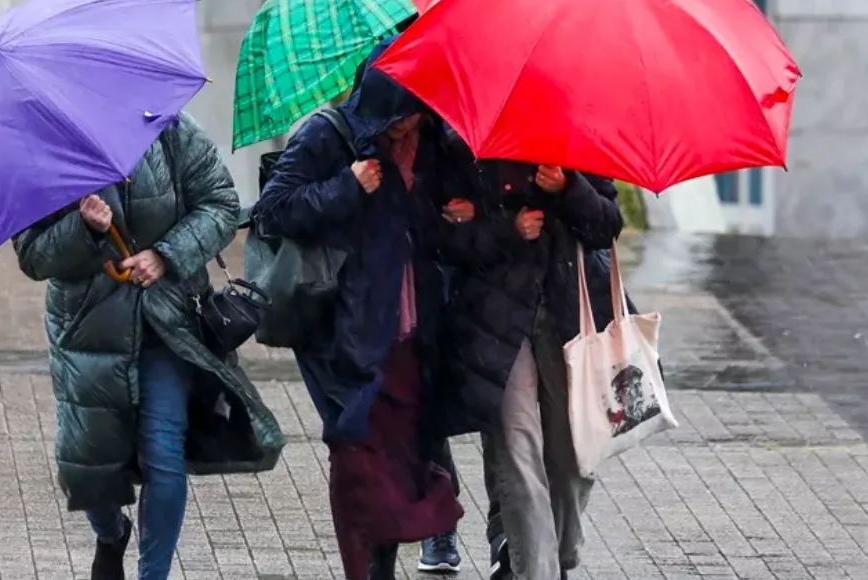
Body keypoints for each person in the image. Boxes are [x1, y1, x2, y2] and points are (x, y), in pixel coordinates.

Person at [12, 113, 285, 580]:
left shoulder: (172, 131)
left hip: (167, 324)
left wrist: (166, 255)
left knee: (163, 451)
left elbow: (220, 205)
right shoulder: (49, 149)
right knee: (91, 465)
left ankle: (152, 574)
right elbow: (33, 255)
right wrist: (88, 231)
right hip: (89, 332)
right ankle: (110, 533)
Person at [251, 37, 467, 580]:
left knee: (401, 460)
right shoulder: (329, 136)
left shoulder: (432, 140)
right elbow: (273, 211)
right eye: (398, 121)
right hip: (347, 333)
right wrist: (346, 186)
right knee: (358, 459)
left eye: (415, 118)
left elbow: (429, 227)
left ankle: (384, 563)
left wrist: (459, 213)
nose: (406, 131)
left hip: (413, 331)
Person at [437, 154, 627, 580]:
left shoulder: (576, 139)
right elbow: (442, 240)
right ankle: (533, 570)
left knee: (572, 455)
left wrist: (568, 188)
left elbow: (606, 226)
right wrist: (504, 227)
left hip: (566, 317)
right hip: (496, 319)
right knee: (517, 449)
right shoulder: (466, 141)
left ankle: (555, 556)